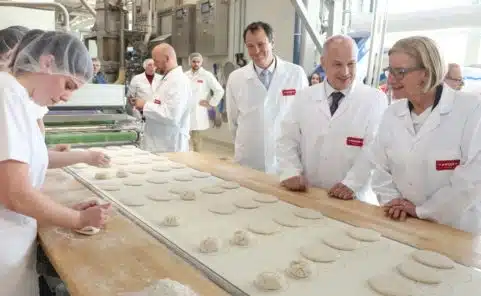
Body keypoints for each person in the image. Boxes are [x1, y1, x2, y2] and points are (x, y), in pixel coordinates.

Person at [0, 30, 111, 296]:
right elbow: (15, 195)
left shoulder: (19, 101)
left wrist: (60, 211)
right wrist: (77, 218)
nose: (66, 97)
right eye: (69, 85)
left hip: (13, 241)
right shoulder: (6, 97)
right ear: (47, 63)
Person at [369, 36, 481, 234]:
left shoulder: (471, 111)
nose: (391, 79)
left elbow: (471, 180)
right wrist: (392, 200)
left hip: (453, 228)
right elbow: (380, 167)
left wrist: (422, 211)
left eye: (400, 72)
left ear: (426, 73)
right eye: (390, 71)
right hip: (401, 221)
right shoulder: (392, 113)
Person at [276, 35, 388, 203]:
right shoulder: (304, 97)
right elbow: (287, 138)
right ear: (323, 62)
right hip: (309, 193)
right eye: (337, 64)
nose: (345, 72)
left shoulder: (375, 100)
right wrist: (291, 171)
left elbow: (374, 149)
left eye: (351, 64)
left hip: (353, 199)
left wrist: (351, 183)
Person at [226, 21, 309, 174]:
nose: (256, 51)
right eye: (250, 46)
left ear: (272, 42)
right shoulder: (236, 78)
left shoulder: (295, 74)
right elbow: (233, 122)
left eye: (261, 44)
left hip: (286, 159)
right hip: (249, 158)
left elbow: (305, 118)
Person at [132, 43, 193, 152]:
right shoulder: (166, 79)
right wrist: (144, 105)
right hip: (159, 142)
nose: (154, 65)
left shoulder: (178, 81)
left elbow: (172, 115)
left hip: (169, 145)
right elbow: (160, 104)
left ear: (167, 58)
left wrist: (145, 105)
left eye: (156, 61)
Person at [185, 52, 224, 152]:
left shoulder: (206, 75)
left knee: (196, 141)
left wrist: (211, 103)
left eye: (198, 62)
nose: (196, 64)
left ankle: (197, 163)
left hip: (198, 111)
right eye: (194, 62)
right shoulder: (185, 75)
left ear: (201, 62)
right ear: (190, 62)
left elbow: (219, 90)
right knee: (183, 141)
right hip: (185, 111)